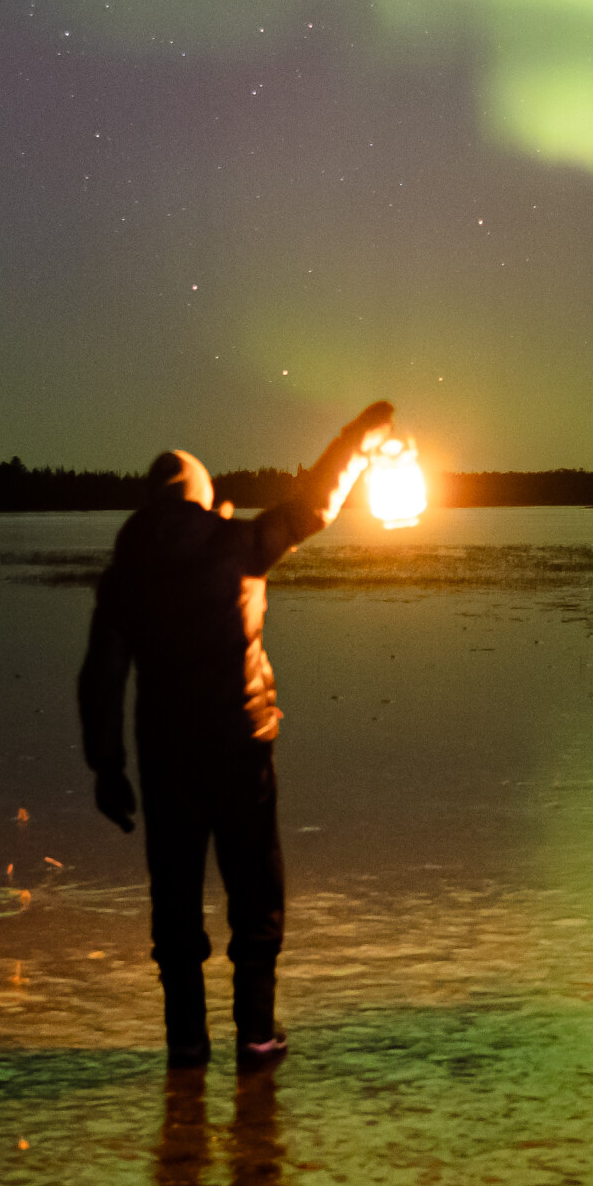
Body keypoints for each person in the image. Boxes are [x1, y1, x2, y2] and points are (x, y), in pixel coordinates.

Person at [76, 400, 394, 1070]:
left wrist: (107, 767)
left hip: (165, 762)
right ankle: (256, 1035)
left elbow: (102, 673)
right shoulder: (238, 546)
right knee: (255, 896)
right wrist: (357, 440)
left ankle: (186, 1045)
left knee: (175, 903)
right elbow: (315, 505)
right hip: (241, 752)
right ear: (203, 498)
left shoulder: (125, 574)